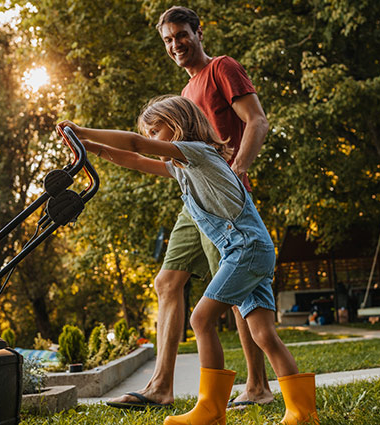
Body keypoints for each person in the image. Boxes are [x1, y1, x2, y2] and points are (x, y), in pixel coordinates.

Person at [59, 94, 318, 425]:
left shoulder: (199, 153)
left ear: (175, 125)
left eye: (155, 132)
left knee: (200, 321)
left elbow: (136, 145)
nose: (152, 140)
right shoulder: (183, 168)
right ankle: (302, 412)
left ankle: (210, 409)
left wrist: (83, 131)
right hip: (250, 250)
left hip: (246, 249)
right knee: (264, 334)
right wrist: (91, 150)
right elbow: (136, 160)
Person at [107, 5, 272, 409]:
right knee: (166, 282)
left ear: (199, 33)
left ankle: (257, 386)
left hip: (223, 205)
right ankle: (161, 386)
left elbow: (256, 120)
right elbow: (161, 157)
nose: (176, 44)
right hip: (193, 204)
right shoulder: (184, 95)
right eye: (168, 39)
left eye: (182, 34)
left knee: (234, 289)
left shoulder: (221, 68)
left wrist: (237, 171)